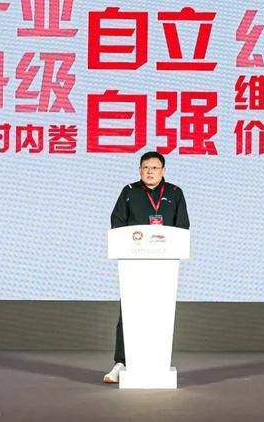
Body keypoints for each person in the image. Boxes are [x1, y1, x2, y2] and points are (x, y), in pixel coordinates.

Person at [103, 151, 190, 383]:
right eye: (145, 167)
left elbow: (182, 226)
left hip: (164, 265)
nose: (150, 172)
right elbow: (117, 222)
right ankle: (121, 363)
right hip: (134, 264)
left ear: (163, 171)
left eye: (154, 168)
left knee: (160, 313)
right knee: (128, 313)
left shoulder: (175, 193)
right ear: (139, 170)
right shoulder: (129, 191)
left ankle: (156, 363)